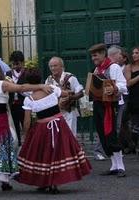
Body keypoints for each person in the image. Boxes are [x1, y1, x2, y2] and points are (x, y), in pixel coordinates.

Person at [0, 60, 52, 197]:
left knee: (1, 148)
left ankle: (4, 181)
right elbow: (21, 88)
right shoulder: (1, 84)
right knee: (1, 148)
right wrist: (41, 85)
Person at [17, 68, 91, 194]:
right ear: (40, 79)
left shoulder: (29, 99)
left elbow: (27, 121)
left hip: (42, 127)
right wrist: (63, 93)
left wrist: (25, 133)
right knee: (57, 153)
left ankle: (45, 182)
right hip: (59, 124)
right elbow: (66, 94)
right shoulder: (51, 88)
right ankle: (53, 183)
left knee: (43, 155)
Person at [88, 43, 127, 177]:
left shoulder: (113, 67)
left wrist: (115, 88)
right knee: (102, 134)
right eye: (92, 56)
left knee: (111, 134)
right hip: (98, 104)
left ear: (103, 54)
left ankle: (121, 166)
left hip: (110, 105)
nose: (94, 58)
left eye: (96, 55)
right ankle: (114, 165)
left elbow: (123, 84)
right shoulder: (97, 70)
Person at [45, 56, 84, 136]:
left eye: (55, 66)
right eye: (51, 66)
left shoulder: (70, 78)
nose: (53, 68)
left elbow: (80, 93)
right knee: (58, 138)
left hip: (69, 112)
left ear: (62, 67)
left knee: (70, 136)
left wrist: (69, 98)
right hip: (55, 114)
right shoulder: (48, 80)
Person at [6, 50, 26, 146]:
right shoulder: (8, 74)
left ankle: (27, 146)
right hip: (12, 105)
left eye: (17, 64)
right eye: (13, 64)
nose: (15, 66)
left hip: (24, 105)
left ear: (22, 63)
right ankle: (17, 146)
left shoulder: (27, 73)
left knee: (26, 126)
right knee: (14, 127)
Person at [125, 46, 139, 153]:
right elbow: (128, 83)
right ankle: (133, 145)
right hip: (134, 98)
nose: (134, 55)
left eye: (137, 53)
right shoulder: (129, 67)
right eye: (133, 53)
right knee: (134, 124)